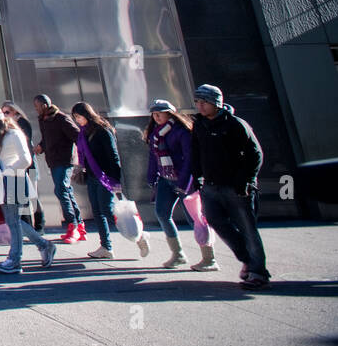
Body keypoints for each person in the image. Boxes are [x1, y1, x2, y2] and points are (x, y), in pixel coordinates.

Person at [189, 84, 268, 289]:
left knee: (248, 229)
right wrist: (197, 177)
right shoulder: (199, 125)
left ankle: (258, 273)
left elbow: (255, 154)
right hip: (210, 186)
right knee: (215, 221)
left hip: (237, 187)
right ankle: (248, 260)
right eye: (197, 102)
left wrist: (246, 181)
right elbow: (196, 153)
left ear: (216, 102)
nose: (200, 106)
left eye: (204, 102)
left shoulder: (235, 124)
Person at [0, 107, 56, 274]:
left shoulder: (13, 134)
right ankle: (44, 245)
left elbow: (26, 159)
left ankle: (15, 259)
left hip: (13, 179)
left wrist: (6, 172)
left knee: (13, 221)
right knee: (12, 220)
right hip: (2, 180)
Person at [72, 101, 148, 260]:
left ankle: (139, 236)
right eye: (75, 117)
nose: (77, 120)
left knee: (108, 210)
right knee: (98, 212)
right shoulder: (83, 133)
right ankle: (106, 246)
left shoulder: (102, 131)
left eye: (78, 116)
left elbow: (113, 156)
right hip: (92, 176)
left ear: (87, 115)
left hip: (106, 177)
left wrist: (116, 180)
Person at [144, 99, 210, 269]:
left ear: (170, 113)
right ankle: (178, 254)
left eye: (160, 112)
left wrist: (185, 182)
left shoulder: (182, 132)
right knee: (162, 214)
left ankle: (209, 258)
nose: (156, 116)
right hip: (166, 179)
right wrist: (151, 176)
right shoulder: (155, 134)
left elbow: (189, 158)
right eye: (154, 113)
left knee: (195, 218)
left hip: (185, 180)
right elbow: (154, 157)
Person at [34, 94, 85, 243]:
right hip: (54, 160)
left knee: (61, 190)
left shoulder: (61, 118)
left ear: (44, 105)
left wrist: (80, 158)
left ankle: (73, 225)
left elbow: (77, 136)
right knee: (66, 191)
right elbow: (48, 138)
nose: (36, 109)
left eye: (37, 106)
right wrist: (41, 147)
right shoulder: (43, 120)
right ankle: (79, 225)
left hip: (64, 160)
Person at [2, 100, 44, 232]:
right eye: (3, 113)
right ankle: (30, 226)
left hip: (27, 165)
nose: (5, 115)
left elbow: (25, 145)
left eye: (7, 112)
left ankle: (39, 225)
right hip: (18, 166)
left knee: (33, 196)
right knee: (25, 198)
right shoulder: (9, 126)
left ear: (15, 111)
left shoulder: (21, 124)